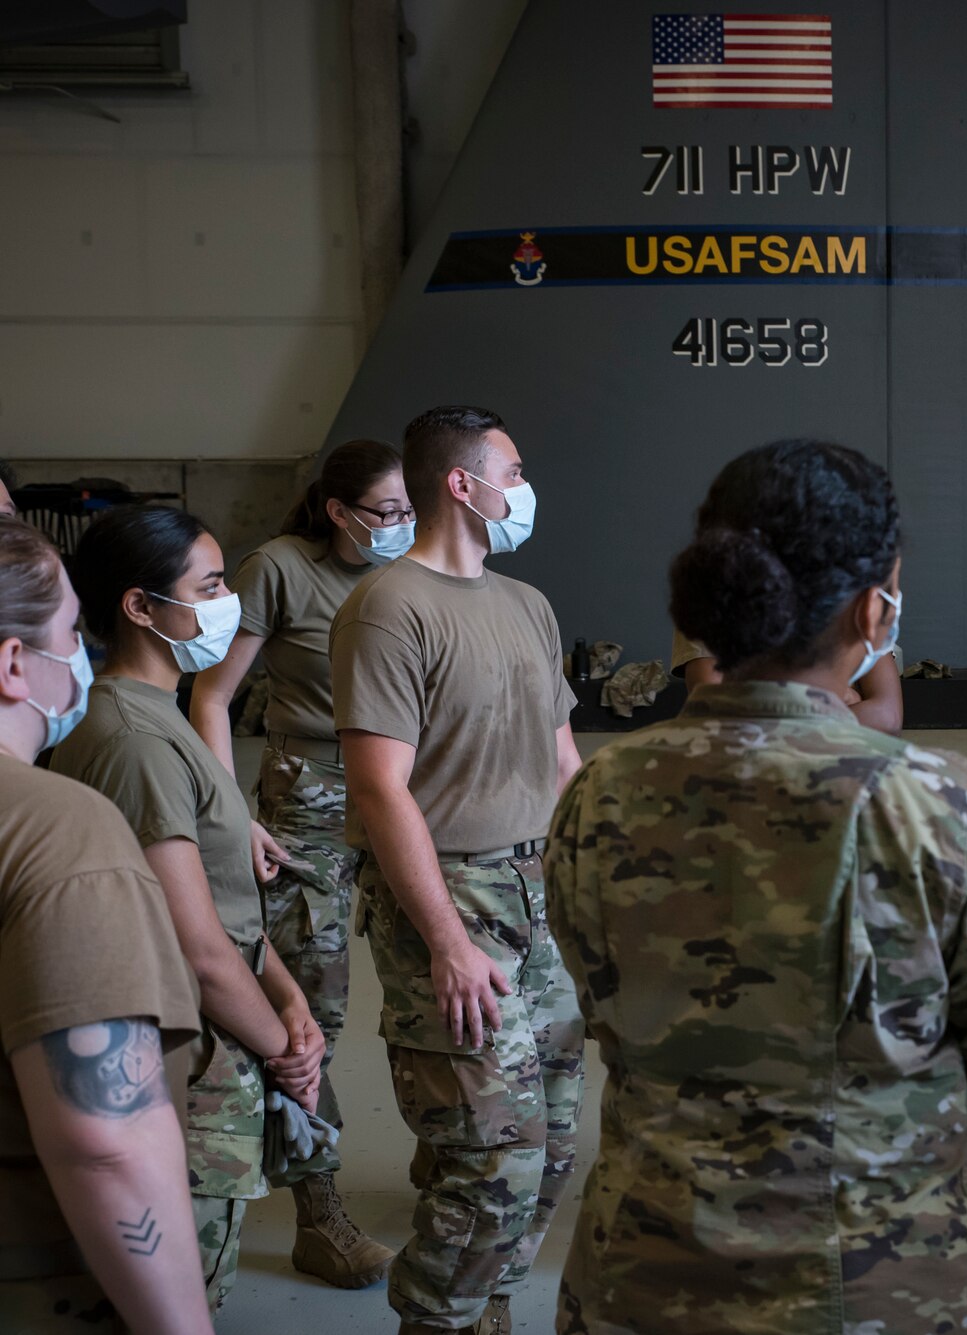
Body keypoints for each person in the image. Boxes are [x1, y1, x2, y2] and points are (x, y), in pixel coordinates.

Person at [546, 440, 967, 1335]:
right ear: (874, 608)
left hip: (650, 1270)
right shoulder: (934, 801)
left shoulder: (602, 789)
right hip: (889, 1273)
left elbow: (597, 994)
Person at [332, 405, 583, 1335]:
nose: (524, 489)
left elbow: (564, 764)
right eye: (511, 472)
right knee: (489, 1159)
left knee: (550, 1144)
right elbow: (380, 789)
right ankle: (437, 1320)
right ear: (461, 483)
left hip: (541, 897)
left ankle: (488, 1311)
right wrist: (443, 940)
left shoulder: (526, 603)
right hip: (452, 899)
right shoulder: (388, 608)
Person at [51, 505, 327, 1312]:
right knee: (182, 1297)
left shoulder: (160, 718)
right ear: (140, 606)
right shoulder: (134, 741)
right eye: (209, 587)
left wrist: (289, 994)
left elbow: (224, 905)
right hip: (195, 1058)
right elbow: (196, 943)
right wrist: (285, 1048)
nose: (226, 603)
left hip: (229, 1032)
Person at [187, 440, 409, 1289]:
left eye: (408, 512)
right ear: (336, 510)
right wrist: (233, 809)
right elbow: (211, 697)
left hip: (397, 790)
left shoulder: (411, 569)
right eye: (384, 512)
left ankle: (448, 1164)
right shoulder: (279, 567)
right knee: (308, 1013)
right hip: (305, 804)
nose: (400, 527)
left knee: (427, 984)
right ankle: (320, 1214)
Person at [0, 517, 215, 1334]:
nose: (83, 659)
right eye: (68, 636)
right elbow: (105, 1138)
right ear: (16, 663)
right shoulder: (59, 832)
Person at [673, 627, 904, 733]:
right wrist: (836, 699)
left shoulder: (854, 592)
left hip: (844, 769)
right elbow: (715, 707)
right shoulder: (713, 589)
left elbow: (886, 716)